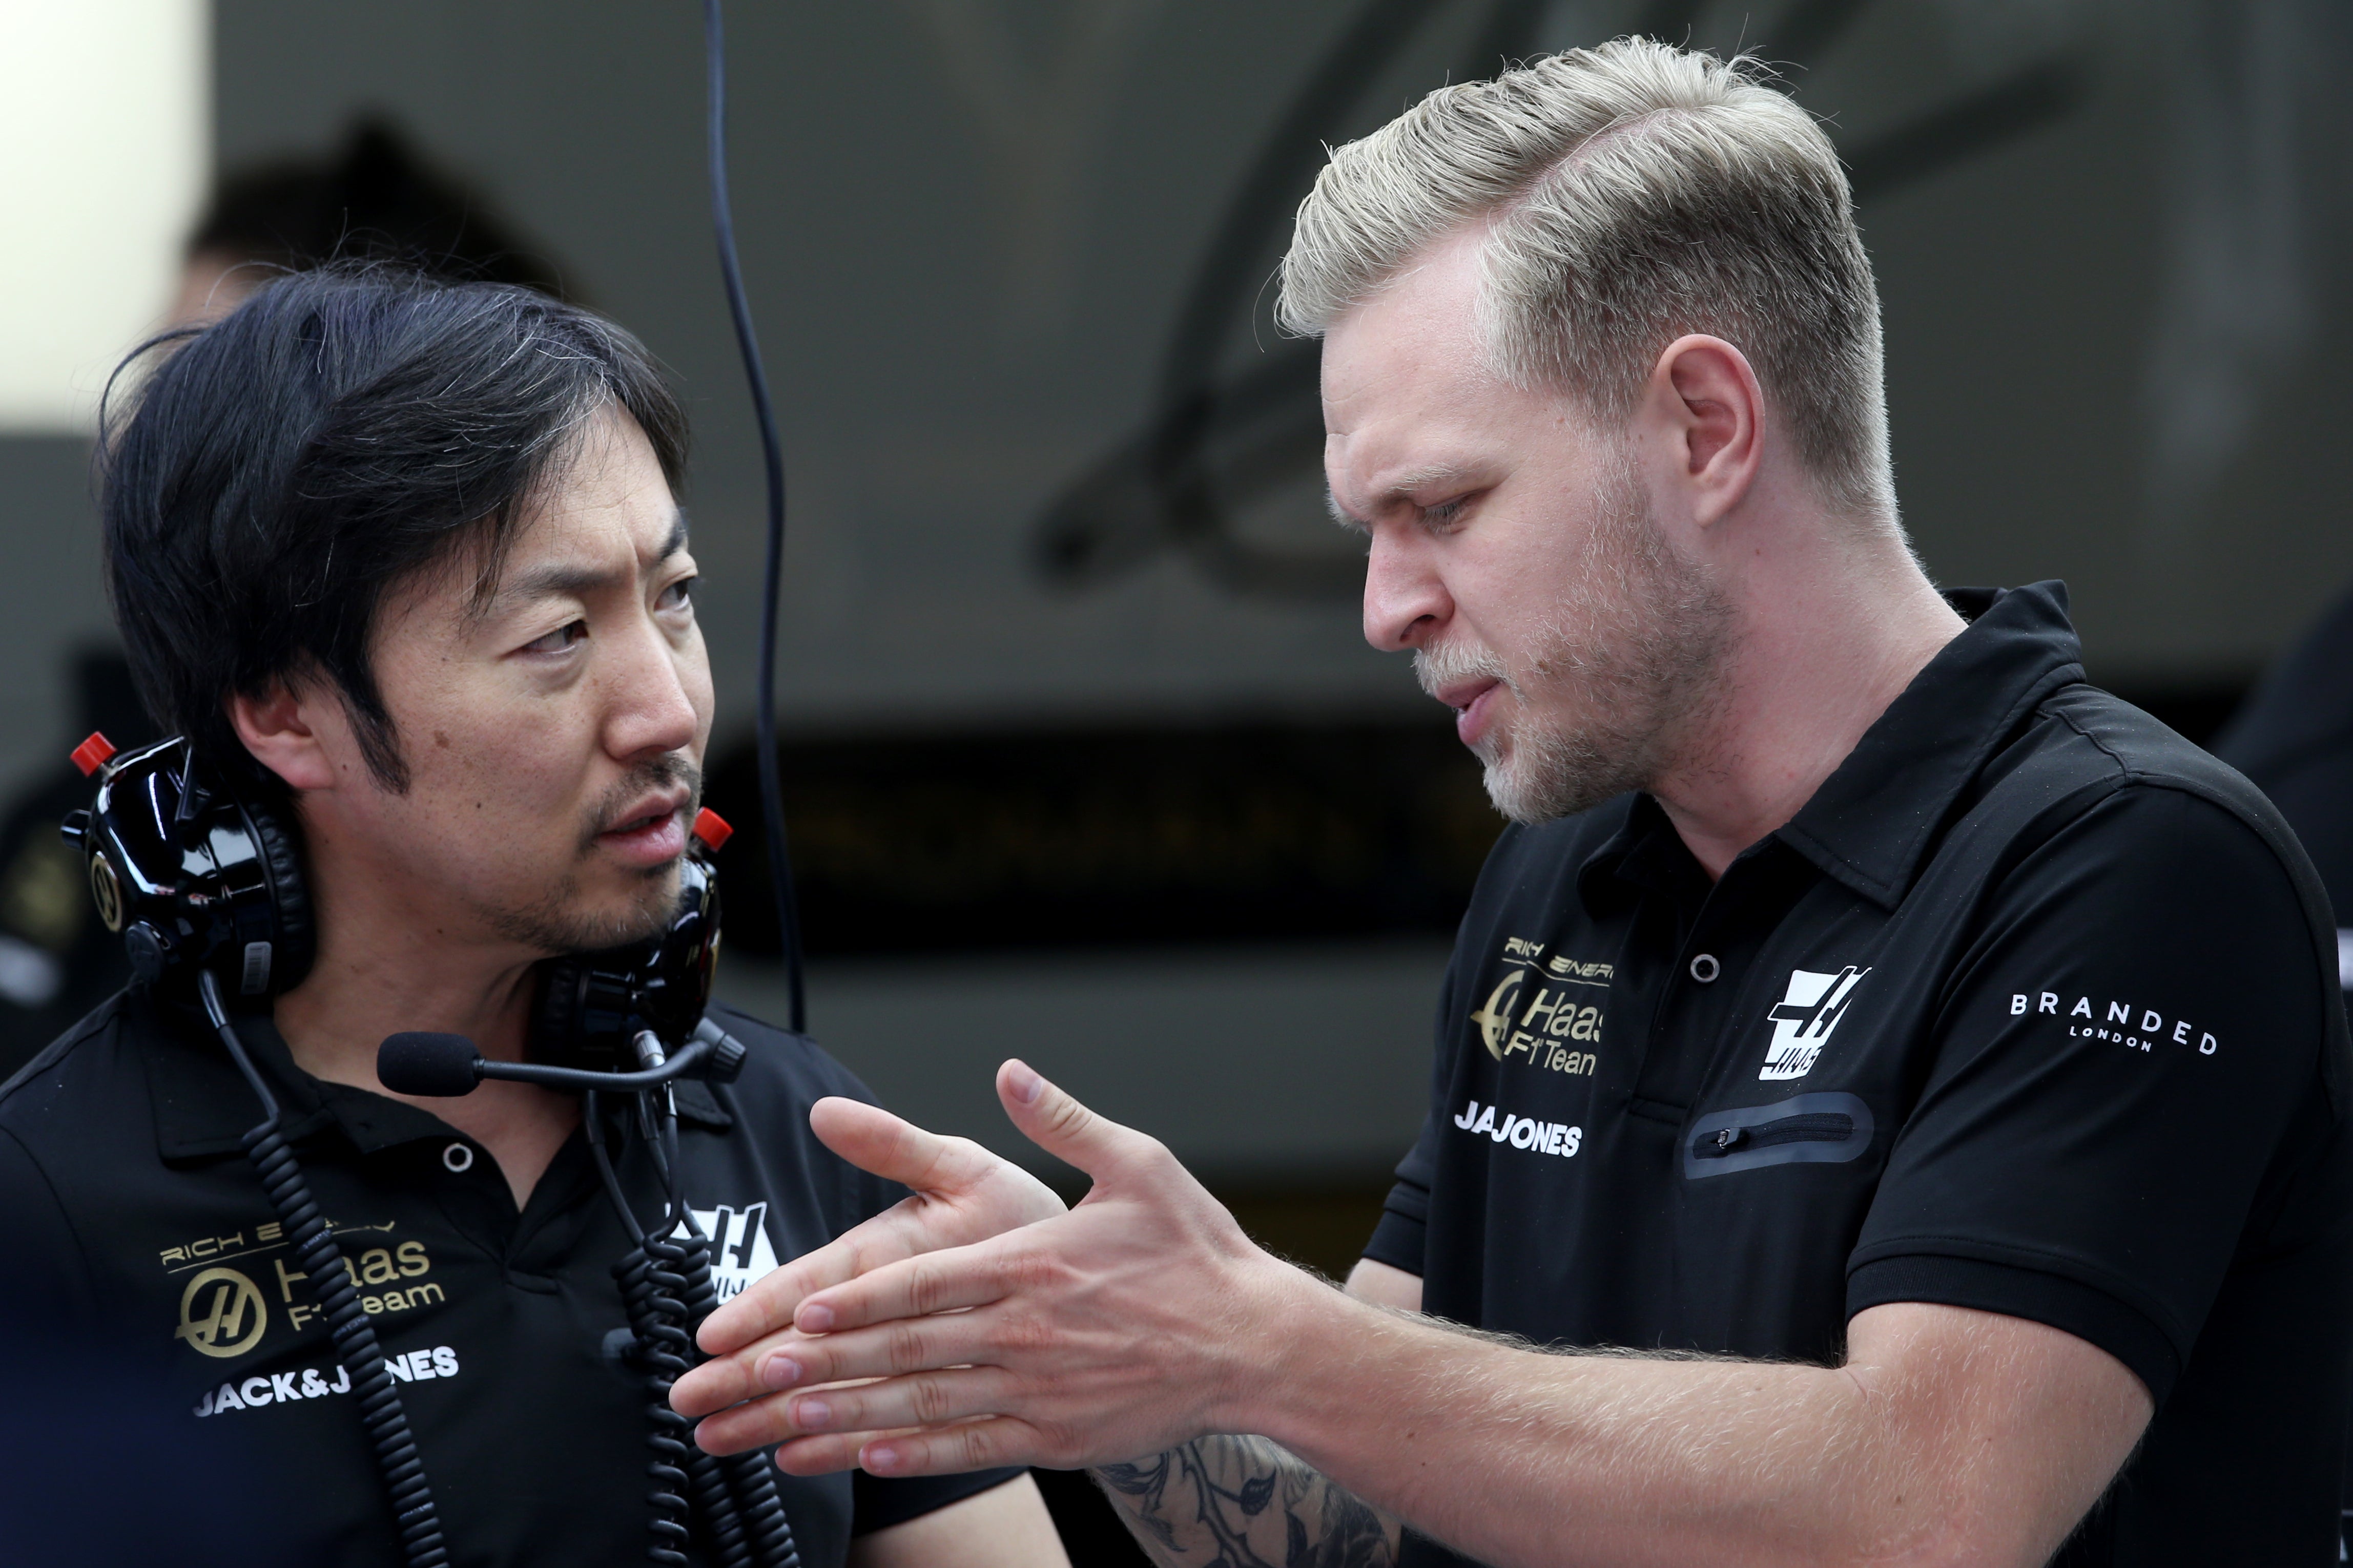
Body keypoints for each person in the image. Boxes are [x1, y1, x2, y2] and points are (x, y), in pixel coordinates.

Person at [671, 39, 2353, 1568]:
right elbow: (1367, 1517)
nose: (1384, 606)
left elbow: (1924, 1507)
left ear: (1705, 426)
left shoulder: (2131, 861)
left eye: (1446, 506)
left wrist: (1262, 1339)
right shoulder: (1557, 877)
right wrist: (1106, 1352)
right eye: (1367, 529)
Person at [0, 267, 1066, 1567]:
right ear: (284, 713)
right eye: (557, 637)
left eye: (673, 597)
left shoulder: (800, 1128)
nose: (667, 709)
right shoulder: (49, 1202)